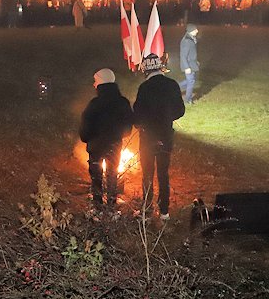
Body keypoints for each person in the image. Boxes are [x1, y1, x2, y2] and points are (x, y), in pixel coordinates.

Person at [133, 54, 185, 221]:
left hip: (148, 137)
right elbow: (180, 110)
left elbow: (138, 114)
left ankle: (147, 212)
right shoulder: (172, 85)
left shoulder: (144, 88)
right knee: (163, 173)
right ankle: (164, 211)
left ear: (145, 70)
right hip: (166, 136)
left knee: (147, 174)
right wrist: (167, 117)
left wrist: (140, 123)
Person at [79, 69, 134, 218]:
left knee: (96, 175)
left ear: (101, 82)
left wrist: (87, 138)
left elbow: (85, 125)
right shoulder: (123, 102)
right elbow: (128, 126)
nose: (94, 84)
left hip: (95, 146)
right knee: (112, 175)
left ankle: (97, 207)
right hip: (114, 144)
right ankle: (111, 207)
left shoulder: (94, 104)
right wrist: (117, 135)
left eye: (96, 81)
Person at [179, 24, 200, 104]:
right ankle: (188, 100)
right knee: (191, 81)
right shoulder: (187, 41)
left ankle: (173, 87)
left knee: (189, 81)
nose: (197, 31)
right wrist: (186, 67)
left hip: (192, 64)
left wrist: (196, 61)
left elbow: (191, 53)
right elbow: (183, 55)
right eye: (195, 30)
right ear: (191, 31)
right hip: (188, 65)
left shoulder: (191, 39)